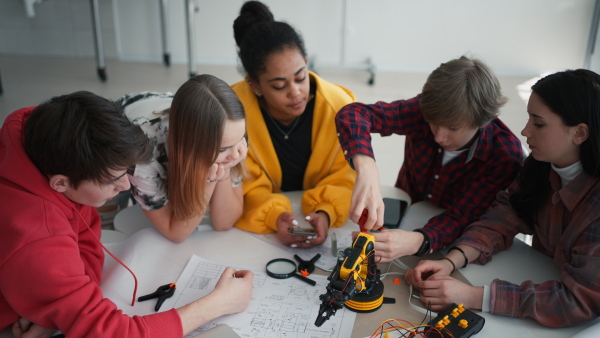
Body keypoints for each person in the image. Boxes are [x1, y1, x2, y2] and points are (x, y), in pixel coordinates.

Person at [0, 91, 253, 336]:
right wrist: (219, 304)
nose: (125, 188)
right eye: (112, 180)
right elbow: (115, 334)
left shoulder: (41, 139)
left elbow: (86, 239)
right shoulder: (40, 238)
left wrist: (59, 308)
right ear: (60, 183)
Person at [405, 69, 600, 327]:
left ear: (580, 133)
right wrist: (451, 261)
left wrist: (474, 296)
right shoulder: (539, 166)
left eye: (538, 123)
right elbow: (501, 220)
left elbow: (577, 301)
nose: (525, 130)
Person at [336, 56, 524, 260]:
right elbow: (353, 113)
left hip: (447, 239)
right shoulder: (425, 110)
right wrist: (367, 169)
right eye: (433, 123)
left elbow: (461, 218)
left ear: (483, 120)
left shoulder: (504, 155)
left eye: (453, 128)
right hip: (407, 205)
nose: (438, 137)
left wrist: (419, 240)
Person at [231, 1, 356, 248]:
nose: (296, 92)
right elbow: (239, 188)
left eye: (301, 77)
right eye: (279, 86)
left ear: (307, 62)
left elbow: (347, 177)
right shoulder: (233, 116)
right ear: (254, 85)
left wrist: (326, 212)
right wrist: (274, 215)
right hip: (259, 235)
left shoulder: (339, 109)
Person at [117, 74, 248, 243]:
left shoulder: (232, 136)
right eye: (223, 149)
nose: (237, 154)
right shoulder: (142, 152)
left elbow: (224, 223)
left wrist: (223, 170)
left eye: (241, 139)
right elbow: (176, 232)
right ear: (190, 146)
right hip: (115, 142)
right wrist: (207, 181)